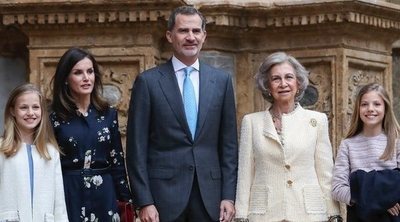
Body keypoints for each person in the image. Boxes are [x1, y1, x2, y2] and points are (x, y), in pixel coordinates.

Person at [125, 5, 238, 222]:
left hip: (210, 197)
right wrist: (144, 201)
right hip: (162, 199)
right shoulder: (148, 82)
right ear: (169, 35)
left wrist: (228, 196)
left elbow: (229, 146)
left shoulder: (221, 81)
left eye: (196, 31)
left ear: (204, 36)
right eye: (183, 31)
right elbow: (136, 148)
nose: (190, 37)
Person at [234, 52, 341, 222]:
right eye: (276, 79)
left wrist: (334, 213)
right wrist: (240, 215)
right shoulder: (251, 122)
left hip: (308, 213)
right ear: (268, 85)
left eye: (289, 77)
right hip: (264, 214)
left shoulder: (317, 121)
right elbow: (245, 174)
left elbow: (325, 173)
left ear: (298, 83)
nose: (283, 84)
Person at [50, 47, 132, 222]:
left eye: (90, 71)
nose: (86, 78)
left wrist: (127, 200)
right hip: (69, 193)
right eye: (78, 73)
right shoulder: (55, 117)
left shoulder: (108, 114)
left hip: (105, 194)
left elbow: (117, 160)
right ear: (66, 78)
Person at [331, 83, 400, 221]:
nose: (370, 109)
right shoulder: (347, 145)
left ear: (385, 108)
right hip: (360, 217)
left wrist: (361, 183)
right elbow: (337, 189)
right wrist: (380, 200)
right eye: (364, 104)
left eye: (377, 104)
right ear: (358, 108)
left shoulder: (396, 142)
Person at [0, 83, 68, 222]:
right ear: (12, 110)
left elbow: (59, 202)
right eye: (24, 107)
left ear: (42, 111)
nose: (30, 113)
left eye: (36, 107)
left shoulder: (51, 152)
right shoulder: (2, 148)